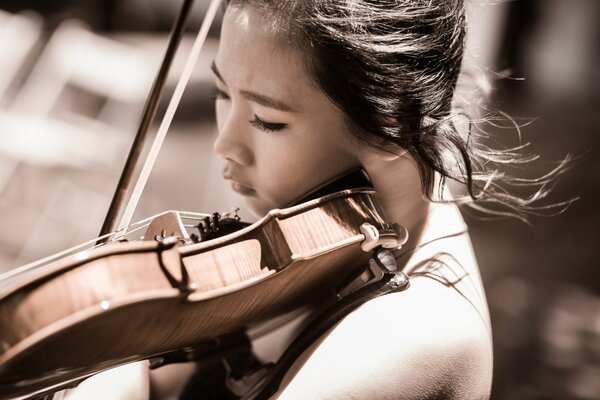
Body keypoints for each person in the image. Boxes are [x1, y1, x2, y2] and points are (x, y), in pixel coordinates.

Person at [66, 0, 506, 398]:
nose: (225, 144)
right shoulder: (332, 256)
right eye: (222, 93)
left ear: (392, 123)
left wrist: (107, 380)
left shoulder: (406, 339)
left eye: (266, 120)